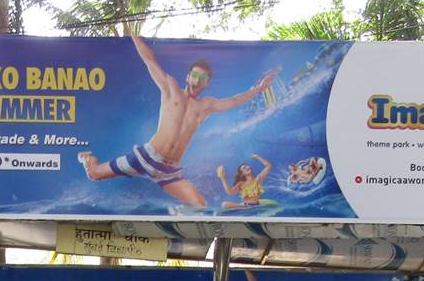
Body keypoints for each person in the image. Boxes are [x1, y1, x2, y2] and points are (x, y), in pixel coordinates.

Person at [77, 34, 277, 207]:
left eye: (203, 78)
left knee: (201, 205)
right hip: (145, 158)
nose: (197, 81)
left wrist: (259, 89)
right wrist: (133, 34)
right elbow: (150, 60)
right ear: (188, 76)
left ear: (207, 84)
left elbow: (234, 101)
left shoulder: (206, 106)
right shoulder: (171, 89)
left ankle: (178, 218)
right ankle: (88, 158)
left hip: (169, 171)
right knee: (94, 174)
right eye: (195, 75)